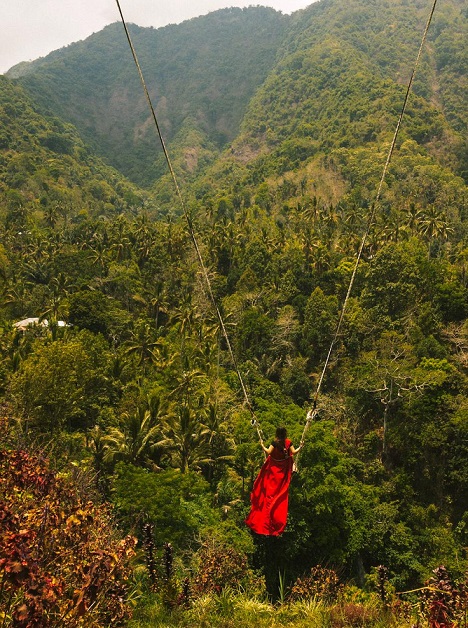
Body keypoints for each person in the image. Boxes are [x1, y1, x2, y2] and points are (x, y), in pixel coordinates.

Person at [245, 427, 301, 536]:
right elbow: (293, 452)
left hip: (274, 468)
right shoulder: (288, 442)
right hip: (283, 468)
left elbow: (268, 452)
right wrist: (301, 446)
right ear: (285, 434)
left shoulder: (274, 443)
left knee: (269, 489)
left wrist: (262, 445)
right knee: (280, 490)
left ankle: (269, 510)